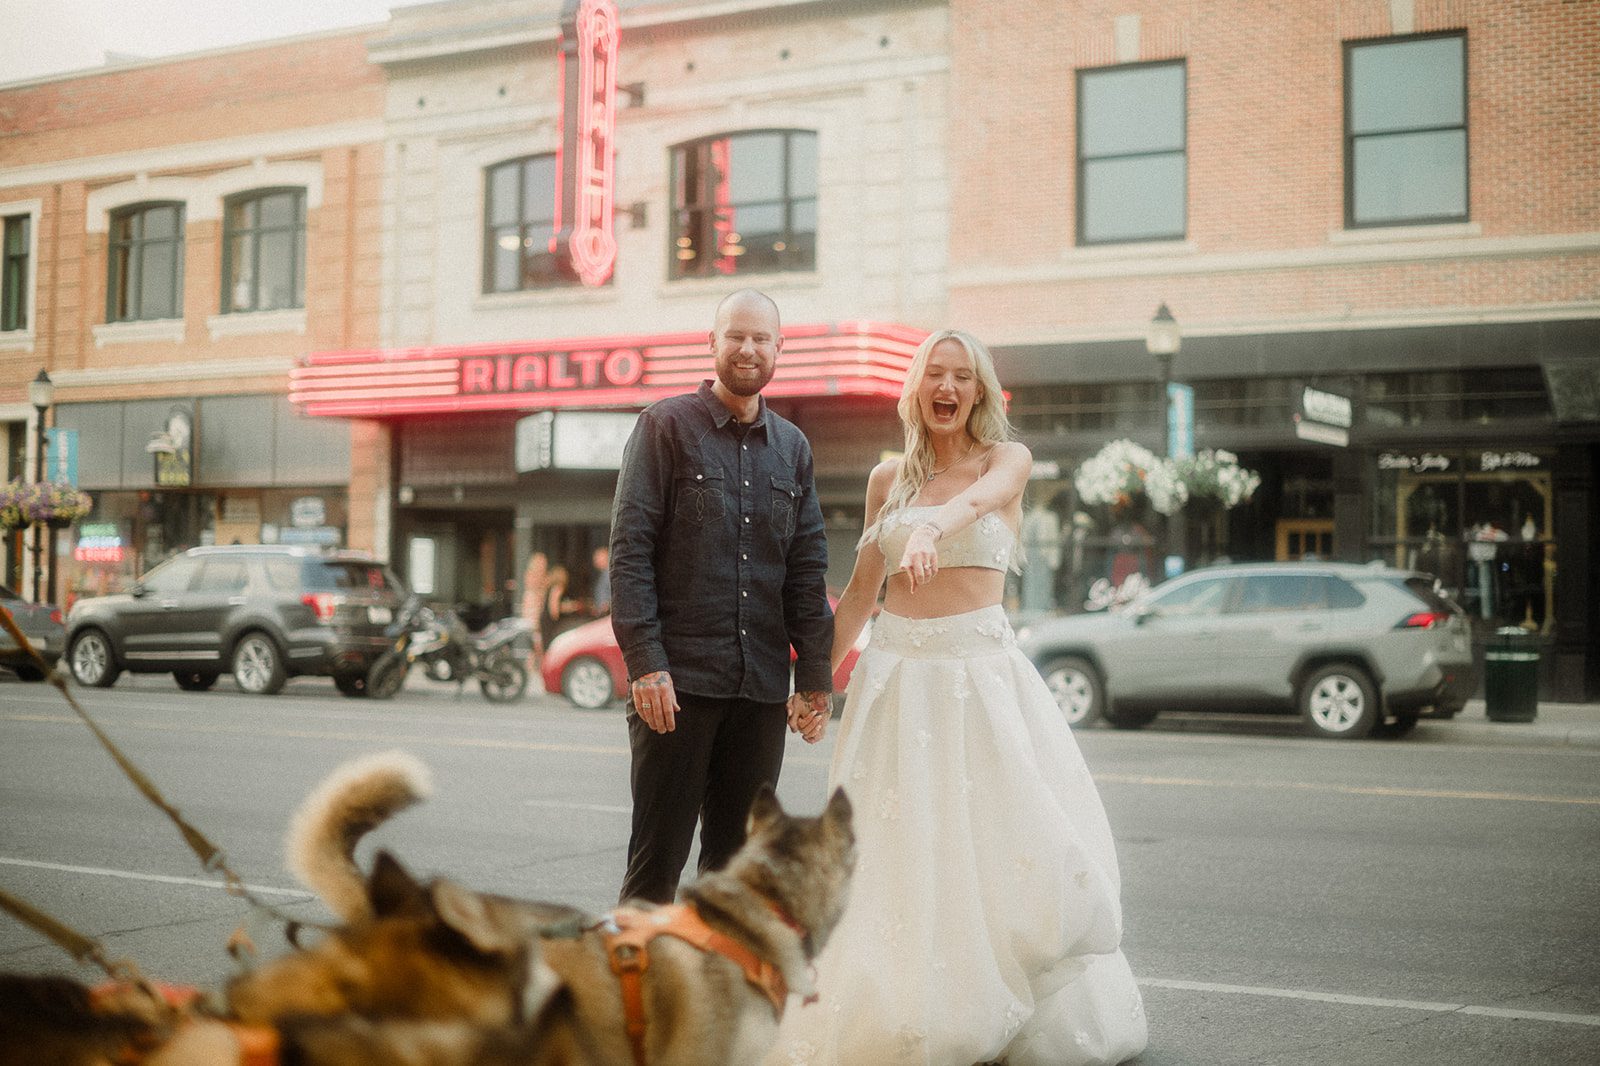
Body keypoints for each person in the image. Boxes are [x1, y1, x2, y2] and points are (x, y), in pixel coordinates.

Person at [766, 329, 1147, 1066]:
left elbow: (982, 499)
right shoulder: (887, 480)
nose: (947, 387)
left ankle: (1000, 1007)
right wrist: (814, 681)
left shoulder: (1007, 460)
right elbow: (860, 596)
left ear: (979, 391)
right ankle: (914, 1012)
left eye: (962, 376)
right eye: (934, 374)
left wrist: (931, 529)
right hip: (896, 683)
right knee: (900, 852)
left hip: (982, 682)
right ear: (915, 389)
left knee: (996, 843)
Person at [609, 288, 834, 906]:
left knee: (735, 881)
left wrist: (814, 677)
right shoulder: (664, 426)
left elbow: (806, 570)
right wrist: (646, 663)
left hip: (760, 692)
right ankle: (636, 971)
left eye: (761, 338)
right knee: (656, 869)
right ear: (712, 343)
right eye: (736, 335)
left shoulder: (793, 448)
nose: (748, 348)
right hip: (676, 687)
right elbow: (630, 550)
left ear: (779, 348)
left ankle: (710, 972)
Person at [519, 551, 549, 671]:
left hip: (536, 609)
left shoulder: (540, 576)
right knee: (537, 643)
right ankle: (540, 668)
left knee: (535, 645)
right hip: (533, 609)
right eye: (542, 563)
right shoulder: (532, 575)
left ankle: (531, 668)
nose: (544, 565)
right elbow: (536, 590)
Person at [589, 545, 611, 615]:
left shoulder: (610, 574)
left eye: (598, 557)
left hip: (608, 615)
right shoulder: (603, 574)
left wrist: (607, 606)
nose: (595, 560)